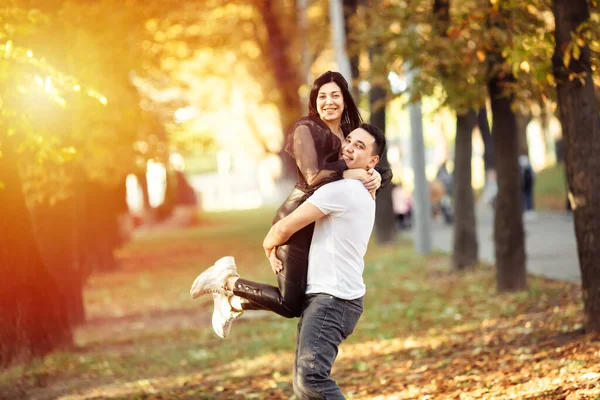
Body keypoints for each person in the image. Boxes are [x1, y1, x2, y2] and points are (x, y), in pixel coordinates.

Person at [190, 72, 392, 338]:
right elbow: (313, 176)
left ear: (345, 100)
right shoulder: (305, 129)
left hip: (321, 218)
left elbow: (381, 167)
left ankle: (233, 302)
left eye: (335, 95)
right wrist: (350, 171)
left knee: (296, 301)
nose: (328, 102)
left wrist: (376, 175)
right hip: (298, 213)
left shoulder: (350, 133)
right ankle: (227, 281)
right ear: (314, 100)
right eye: (322, 96)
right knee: (291, 304)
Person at [206, 123, 386, 399]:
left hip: (332, 301)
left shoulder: (343, 190)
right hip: (330, 299)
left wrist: (269, 245)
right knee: (304, 387)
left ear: (372, 161)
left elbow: (284, 228)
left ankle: (229, 284)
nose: (349, 147)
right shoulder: (355, 187)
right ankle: (234, 296)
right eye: (349, 140)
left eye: (360, 146)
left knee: (311, 380)